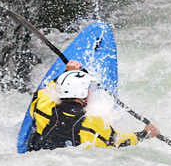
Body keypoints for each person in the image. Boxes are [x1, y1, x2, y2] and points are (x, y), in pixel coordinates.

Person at [26, 60, 160, 151]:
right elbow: (119, 142)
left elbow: (43, 90)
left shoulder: (44, 108)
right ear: (84, 94)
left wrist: (68, 72)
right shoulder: (94, 123)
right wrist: (144, 134)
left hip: (41, 153)